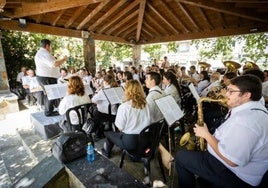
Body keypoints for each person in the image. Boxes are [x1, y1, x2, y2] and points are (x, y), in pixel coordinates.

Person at [175, 74, 268, 188]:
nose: (226, 94)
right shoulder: (254, 108)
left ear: (246, 95)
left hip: (235, 175)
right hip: (234, 168)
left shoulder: (246, 123)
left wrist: (206, 135)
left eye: (231, 91)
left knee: (180, 157)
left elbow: (232, 160)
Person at [101, 80, 151, 158]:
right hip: (145, 140)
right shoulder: (147, 104)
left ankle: (106, 152)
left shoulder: (124, 106)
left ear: (127, 91)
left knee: (109, 134)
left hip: (130, 143)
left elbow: (120, 128)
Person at [34, 39, 67, 116]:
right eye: (50, 46)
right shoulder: (43, 54)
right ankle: (48, 112)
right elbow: (54, 64)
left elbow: (49, 63)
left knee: (49, 94)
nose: (51, 48)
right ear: (47, 46)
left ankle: (49, 110)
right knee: (51, 94)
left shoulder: (42, 53)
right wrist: (64, 59)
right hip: (47, 77)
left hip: (46, 77)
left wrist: (55, 57)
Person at [91, 74, 119, 138]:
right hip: (115, 113)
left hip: (106, 115)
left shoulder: (103, 91)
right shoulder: (117, 88)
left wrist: (97, 91)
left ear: (105, 82)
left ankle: (98, 132)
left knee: (95, 111)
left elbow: (93, 100)